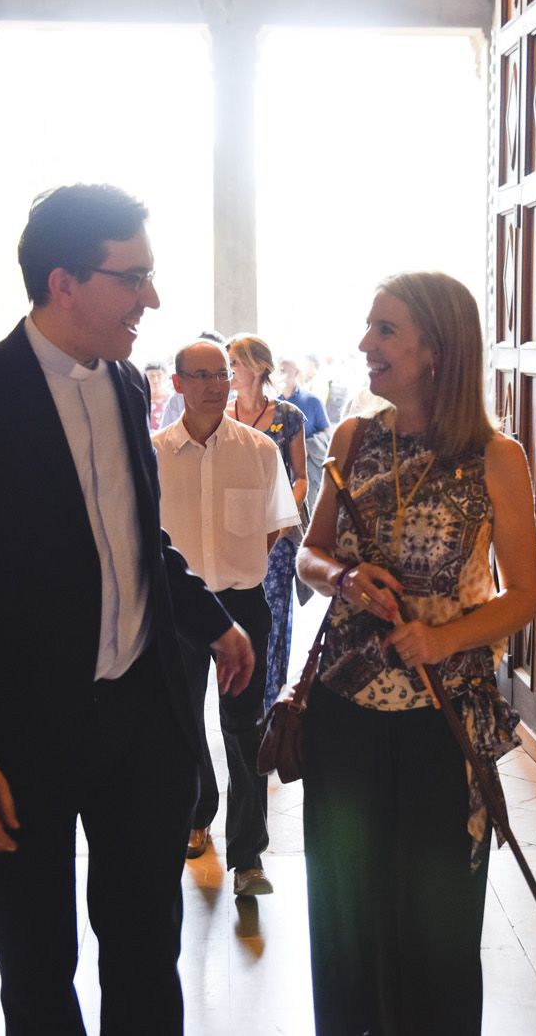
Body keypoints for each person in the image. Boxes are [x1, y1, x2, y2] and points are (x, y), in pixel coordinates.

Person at [0, 183, 255, 1036]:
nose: (151, 299)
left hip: (138, 722)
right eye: (133, 278)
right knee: (37, 964)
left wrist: (211, 618)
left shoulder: (130, 386)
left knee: (144, 951)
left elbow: (135, 543)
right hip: (14, 737)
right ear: (64, 282)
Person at [296, 271, 536, 1035]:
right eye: (370, 329)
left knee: (433, 915)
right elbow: (307, 556)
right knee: (345, 903)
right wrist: (344, 574)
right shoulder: (352, 438)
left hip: (445, 715)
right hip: (345, 708)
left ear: (436, 349)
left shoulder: (497, 456)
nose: (366, 345)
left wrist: (440, 636)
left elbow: (525, 595)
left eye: (385, 330)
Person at [154, 340, 301, 894]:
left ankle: (249, 857)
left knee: (244, 731)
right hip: (179, 607)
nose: (217, 384)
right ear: (178, 384)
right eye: (202, 375)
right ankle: (199, 813)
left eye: (223, 373)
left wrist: (242, 566)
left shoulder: (260, 449)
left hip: (242, 605)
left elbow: (275, 525)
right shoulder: (155, 453)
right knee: (185, 724)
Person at [226, 334, 307, 712]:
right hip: (233, 532)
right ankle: (241, 703)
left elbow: (302, 477)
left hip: (277, 533)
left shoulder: (288, 416)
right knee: (236, 616)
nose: (230, 372)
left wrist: (280, 513)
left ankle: (271, 708)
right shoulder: (223, 416)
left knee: (273, 618)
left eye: (235, 364)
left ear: (257, 367)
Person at [280, 354, 332, 519]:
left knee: (307, 513)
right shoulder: (272, 403)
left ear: (296, 373)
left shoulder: (311, 401)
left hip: (308, 469)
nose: (280, 375)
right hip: (281, 470)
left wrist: (306, 446)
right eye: (278, 371)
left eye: (284, 370)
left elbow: (328, 433)